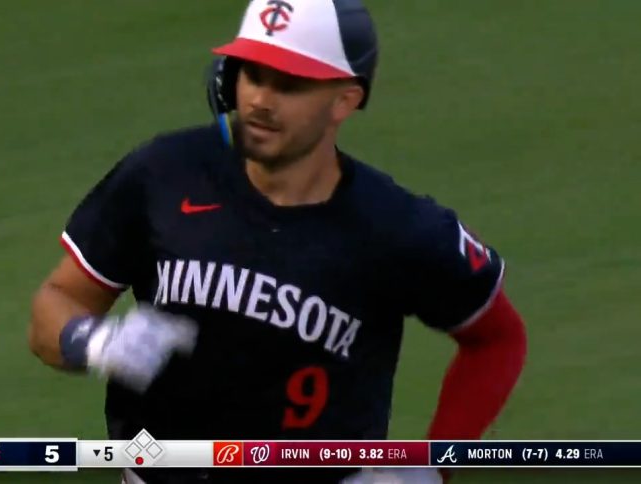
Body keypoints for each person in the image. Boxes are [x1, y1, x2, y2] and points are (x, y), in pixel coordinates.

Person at [29, 0, 527, 482]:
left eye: (288, 84)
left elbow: (498, 338)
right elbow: (58, 301)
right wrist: (90, 341)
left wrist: (431, 465)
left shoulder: (396, 227)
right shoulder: (163, 175)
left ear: (344, 100)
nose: (259, 101)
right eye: (251, 74)